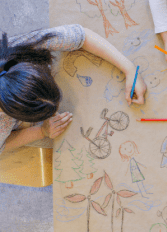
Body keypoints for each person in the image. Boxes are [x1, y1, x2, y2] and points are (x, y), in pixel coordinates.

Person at [0, 25, 146, 156]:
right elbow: (4, 145)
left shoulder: (16, 50)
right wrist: (40, 131)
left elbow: (83, 36)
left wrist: (130, 70)